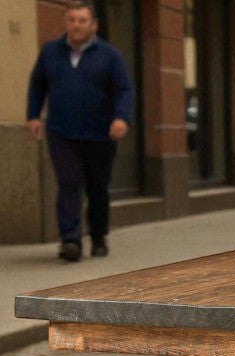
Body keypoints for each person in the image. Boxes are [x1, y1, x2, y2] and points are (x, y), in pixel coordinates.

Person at [26, 0, 134, 262]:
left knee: (97, 188)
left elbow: (124, 90)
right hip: (62, 132)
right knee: (68, 184)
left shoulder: (110, 56)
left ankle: (98, 236)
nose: (75, 25)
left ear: (93, 25)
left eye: (81, 20)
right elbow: (38, 84)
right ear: (66, 23)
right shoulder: (51, 52)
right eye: (71, 20)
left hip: (99, 134)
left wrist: (122, 118)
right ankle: (71, 239)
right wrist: (33, 115)